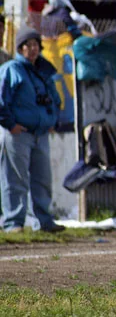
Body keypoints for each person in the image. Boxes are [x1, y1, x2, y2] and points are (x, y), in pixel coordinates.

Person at [0, 26, 64, 233]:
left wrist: (52, 120)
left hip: (41, 134)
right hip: (18, 133)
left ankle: (44, 222)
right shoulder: (11, 69)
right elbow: (1, 100)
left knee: (42, 179)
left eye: (35, 44)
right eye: (27, 45)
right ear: (20, 48)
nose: (32, 48)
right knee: (15, 179)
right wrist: (10, 124)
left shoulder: (44, 70)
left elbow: (54, 99)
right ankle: (14, 223)